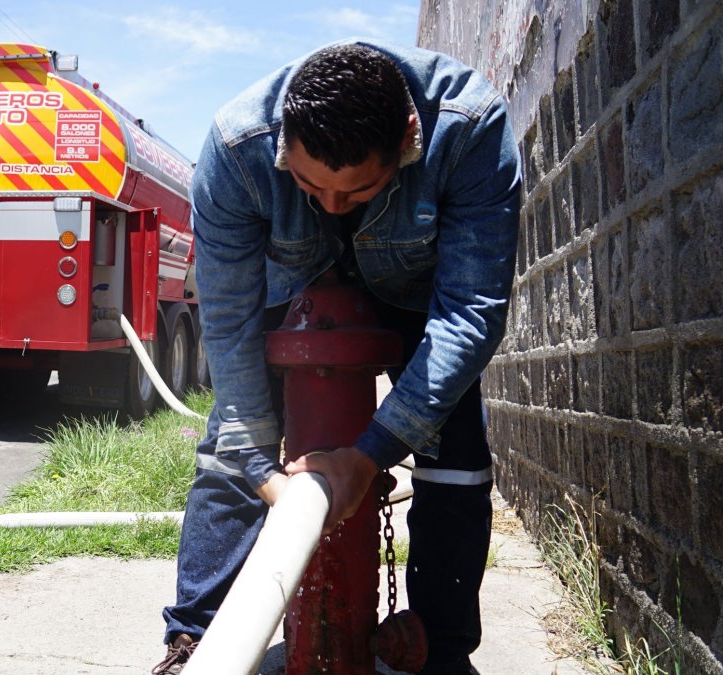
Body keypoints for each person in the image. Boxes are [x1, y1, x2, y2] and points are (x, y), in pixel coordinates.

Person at [153, 39, 521, 675]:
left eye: (358, 191)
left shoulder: (469, 130)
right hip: (287, 286)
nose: (328, 206)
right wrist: (256, 464)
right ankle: (194, 643)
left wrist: (372, 453)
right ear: (283, 142)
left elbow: (471, 311)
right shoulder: (238, 149)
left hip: (415, 294)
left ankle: (442, 646)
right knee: (226, 448)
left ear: (409, 138)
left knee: (455, 456)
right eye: (305, 184)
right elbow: (231, 320)